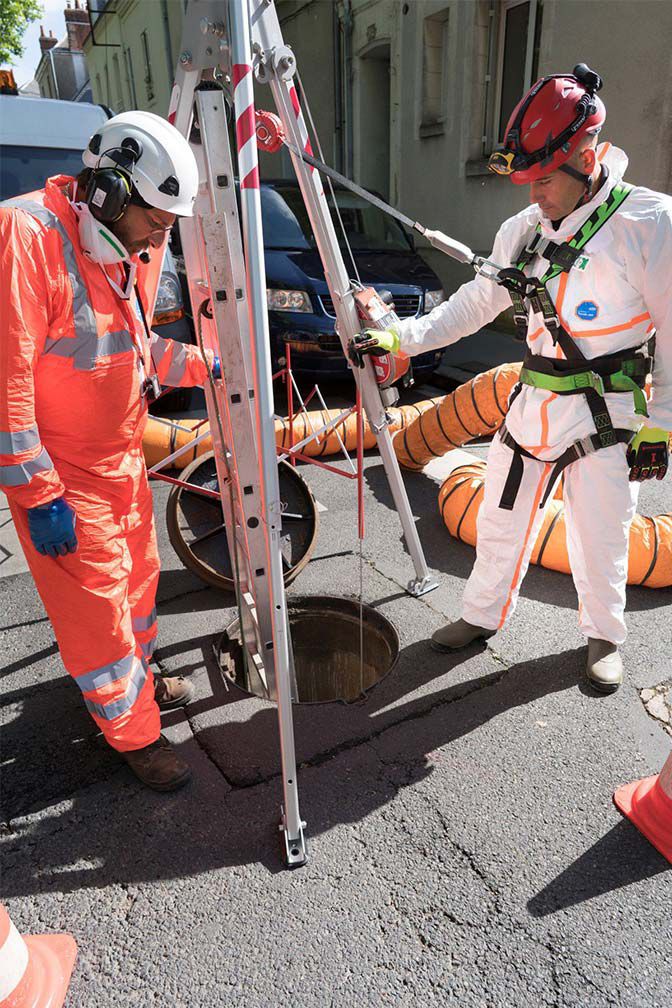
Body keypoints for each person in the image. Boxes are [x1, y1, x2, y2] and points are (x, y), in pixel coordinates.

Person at [352, 66, 671, 693]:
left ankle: (604, 635)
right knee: (500, 519)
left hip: (608, 416)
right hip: (533, 405)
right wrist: (403, 339)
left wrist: (662, 425)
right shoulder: (522, 233)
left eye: (544, 180)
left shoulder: (650, 224)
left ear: (588, 155)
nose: (534, 197)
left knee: (601, 533)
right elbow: (474, 305)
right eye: (526, 182)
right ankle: (481, 615)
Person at [0, 111, 221, 790]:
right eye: (155, 220)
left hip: (120, 460)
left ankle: (140, 682)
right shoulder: (25, 236)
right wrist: (39, 496)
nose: (163, 235)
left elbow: (127, 350)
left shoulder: (121, 249)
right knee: (97, 615)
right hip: (63, 477)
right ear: (109, 193)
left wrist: (206, 364)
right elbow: (6, 385)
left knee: (137, 587)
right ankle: (133, 733)